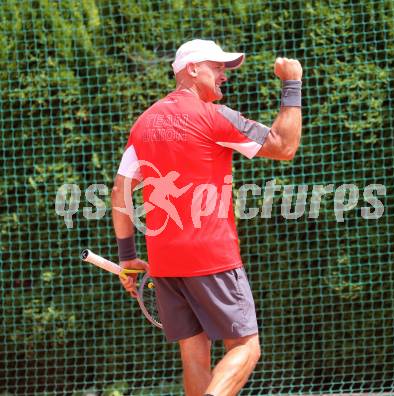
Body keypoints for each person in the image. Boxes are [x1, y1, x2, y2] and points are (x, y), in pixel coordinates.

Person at [111, 39, 302, 396]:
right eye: (218, 67)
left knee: (194, 355)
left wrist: (127, 256)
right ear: (192, 69)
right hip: (211, 257)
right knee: (246, 347)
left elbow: (119, 192)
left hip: (166, 262)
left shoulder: (144, 123)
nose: (224, 76)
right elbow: (284, 145)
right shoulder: (214, 116)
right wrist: (292, 84)